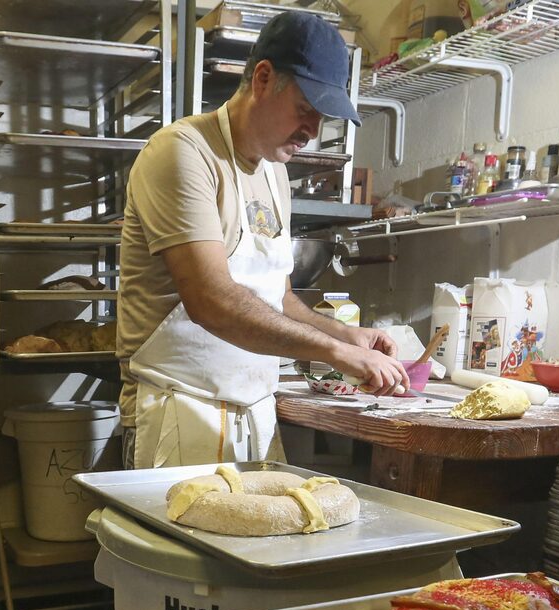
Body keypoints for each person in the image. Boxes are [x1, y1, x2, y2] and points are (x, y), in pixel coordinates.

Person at [116, 11, 409, 470]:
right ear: (263, 78)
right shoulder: (183, 153)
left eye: (322, 117)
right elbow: (210, 300)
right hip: (178, 415)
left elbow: (277, 297)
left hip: (255, 415)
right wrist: (335, 352)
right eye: (305, 109)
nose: (312, 131)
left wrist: (343, 332)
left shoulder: (275, 175)